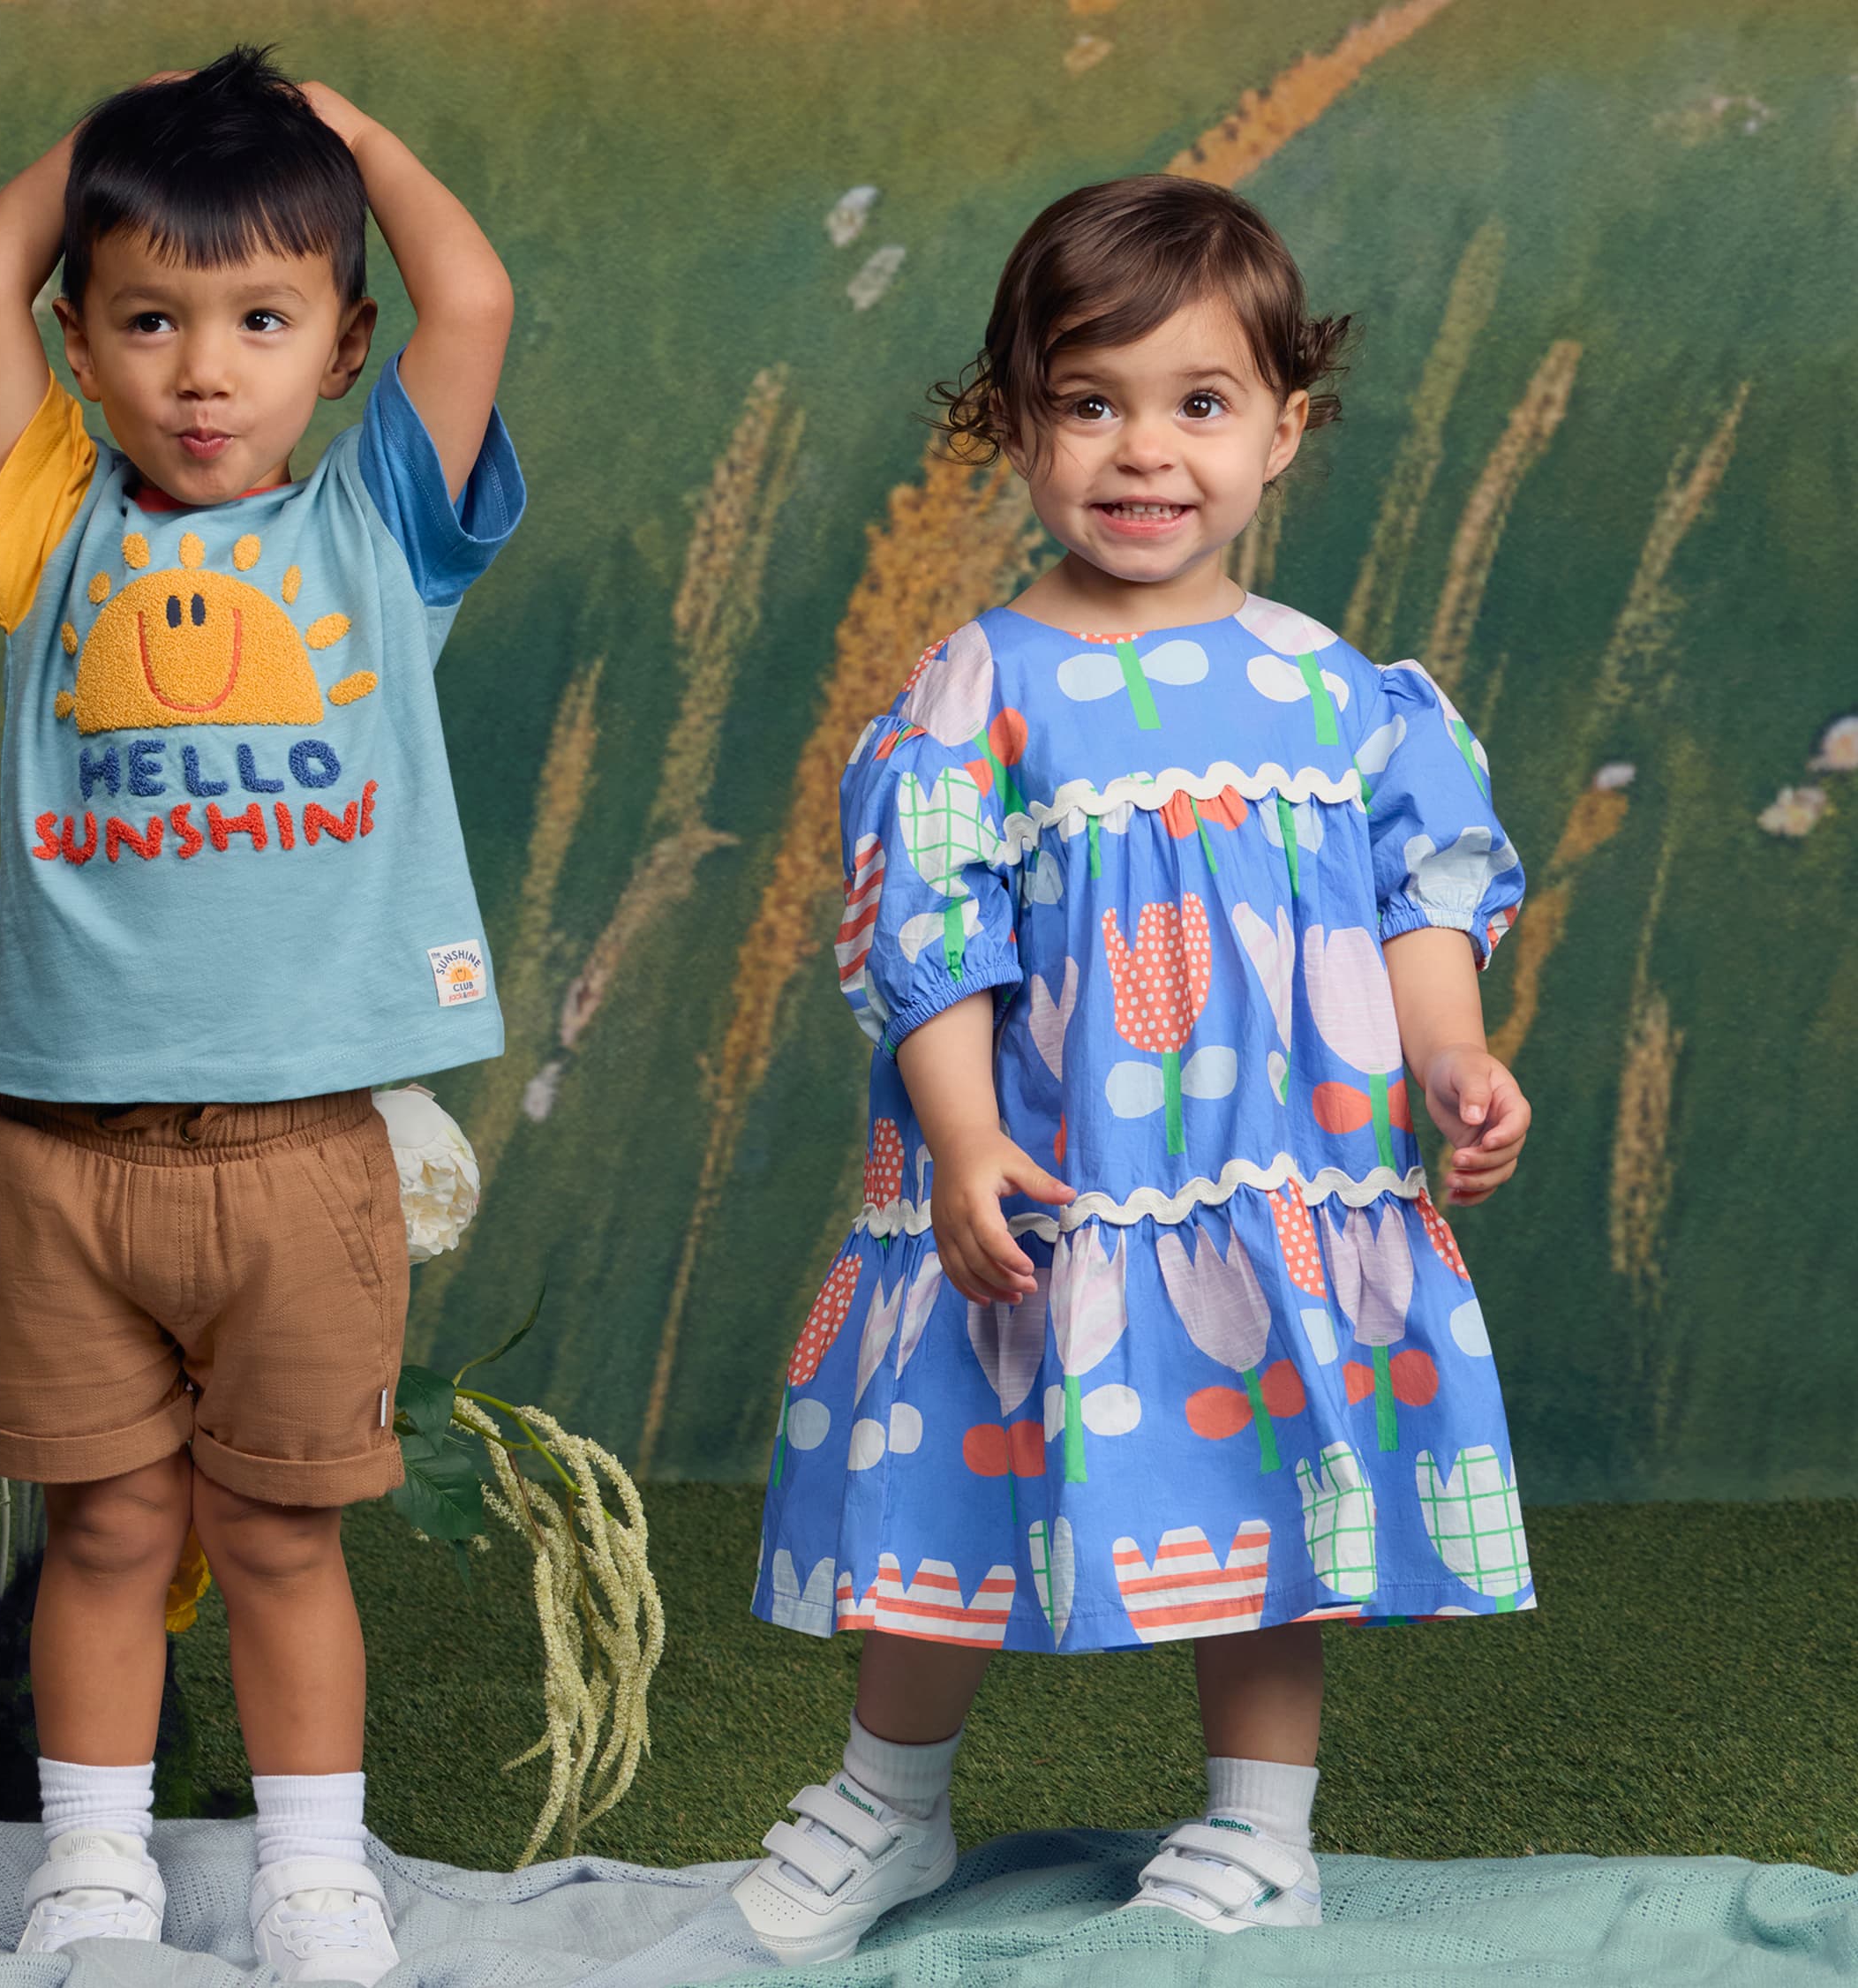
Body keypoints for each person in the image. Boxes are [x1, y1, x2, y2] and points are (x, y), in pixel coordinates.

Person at [733, 174, 1534, 1962]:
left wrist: (1453, 1056)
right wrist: (961, 1140)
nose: (1144, 451)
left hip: (1275, 1178)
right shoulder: (979, 687)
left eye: (1201, 403)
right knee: (949, 1474)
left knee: (1270, 1478)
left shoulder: (1339, 694)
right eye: (1089, 403)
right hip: (1045, 1185)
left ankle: (1260, 1828)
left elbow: (1423, 892)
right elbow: (929, 931)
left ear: (1282, 430)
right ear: (1013, 425)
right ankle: (888, 1801)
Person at [0, 47, 521, 1982]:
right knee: (104, 1529)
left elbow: (475, 296)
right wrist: (114, 123)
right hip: (63, 1151)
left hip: (300, 1157)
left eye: (262, 321)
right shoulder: (45, 526)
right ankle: (92, 1866)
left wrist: (353, 135)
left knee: (278, 1536)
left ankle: (312, 1878)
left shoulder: (376, 535)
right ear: (81, 347)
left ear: (343, 349)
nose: (202, 372)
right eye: (150, 321)